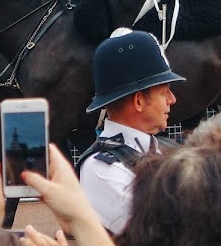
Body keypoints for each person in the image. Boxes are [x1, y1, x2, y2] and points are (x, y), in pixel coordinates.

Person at [78, 29, 184, 235]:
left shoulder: (167, 147)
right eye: (164, 92)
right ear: (139, 101)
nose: (173, 100)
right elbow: (160, 235)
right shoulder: (101, 168)